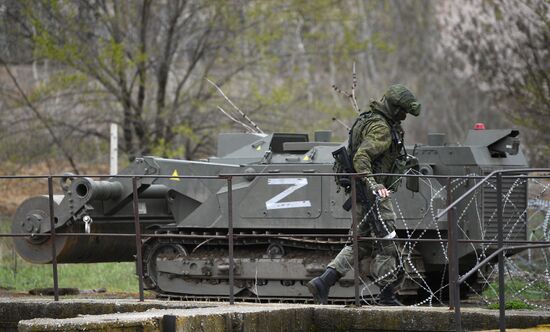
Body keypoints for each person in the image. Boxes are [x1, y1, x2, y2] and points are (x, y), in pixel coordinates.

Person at [307, 84, 421, 305]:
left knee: (362, 244)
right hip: (375, 195)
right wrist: (373, 185)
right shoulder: (382, 128)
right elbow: (361, 157)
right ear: (394, 107)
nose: (404, 116)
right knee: (388, 243)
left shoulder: (368, 118)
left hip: (365, 194)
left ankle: (324, 281)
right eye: (402, 111)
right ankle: (387, 295)